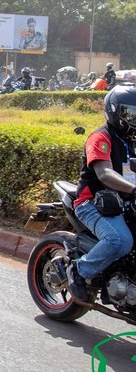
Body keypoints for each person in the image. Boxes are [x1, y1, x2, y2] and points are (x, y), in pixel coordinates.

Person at [52, 87, 136, 300]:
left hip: (124, 202)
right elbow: (105, 173)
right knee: (120, 241)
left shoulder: (131, 140)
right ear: (115, 111)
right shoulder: (101, 137)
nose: (133, 118)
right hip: (93, 202)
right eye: (129, 113)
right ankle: (79, 271)